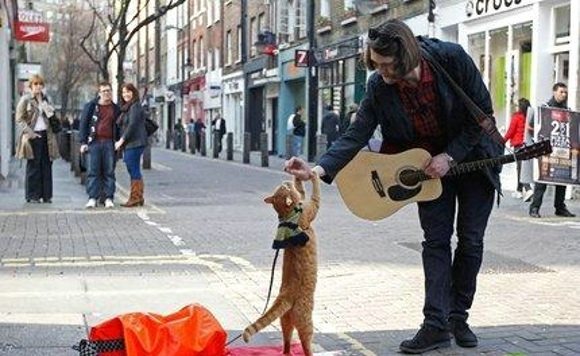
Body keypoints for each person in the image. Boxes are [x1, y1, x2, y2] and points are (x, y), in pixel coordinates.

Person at [284, 19, 503, 354]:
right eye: (375, 63)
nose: (381, 71)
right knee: (435, 243)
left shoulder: (452, 59)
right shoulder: (379, 86)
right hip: (425, 171)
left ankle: (458, 317)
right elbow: (356, 135)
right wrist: (316, 170)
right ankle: (435, 325)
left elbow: (483, 115)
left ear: (407, 55)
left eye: (387, 64)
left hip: (473, 160)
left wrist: (451, 155)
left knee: (471, 241)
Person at [529, 82, 576, 218]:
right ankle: (535, 208)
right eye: (561, 92)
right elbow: (532, 127)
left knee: (562, 179)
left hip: (562, 149)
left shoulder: (568, 111)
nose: (564, 95)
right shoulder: (545, 109)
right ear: (554, 92)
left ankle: (560, 207)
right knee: (542, 179)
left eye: (565, 92)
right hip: (546, 150)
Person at [15, 74, 60, 203]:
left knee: (46, 165)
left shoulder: (46, 99)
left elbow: (52, 117)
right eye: (35, 84)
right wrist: (30, 132)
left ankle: (46, 195)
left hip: (47, 136)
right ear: (31, 86)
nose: (38, 87)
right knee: (33, 166)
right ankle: (32, 196)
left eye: (40, 84)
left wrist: (49, 110)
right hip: (32, 136)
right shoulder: (25, 100)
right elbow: (19, 119)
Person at [79, 81, 121, 209]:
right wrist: (83, 142)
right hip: (94, 143)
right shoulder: (91, 106)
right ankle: (92, 198)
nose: (106, 93)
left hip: (109, 143)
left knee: (109, 172)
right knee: (93, 171)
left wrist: (118, 142)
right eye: (104, 91)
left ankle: (108, 198)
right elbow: (84, 125)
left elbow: (119, 127)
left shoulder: (115, 108)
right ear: (99, 93)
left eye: (108, 91)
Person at [114, 83, 149, 207]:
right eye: (123, 92)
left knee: (133, 168)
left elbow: (132, 125)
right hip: (132, 143)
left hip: (135, 142)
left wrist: (121, 141)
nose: (126, 95)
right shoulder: (127, 107)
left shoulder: (135, 106)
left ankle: (135, 197)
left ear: (133, 92)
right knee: (132, 168)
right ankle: (138, 197)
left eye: (128, 92)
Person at [504, 98, 533, 202]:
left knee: (521, 169)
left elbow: (511, 131)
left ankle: (528, 189)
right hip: (528, 145)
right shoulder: (530, 117)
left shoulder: (516, 117)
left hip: (518, 146)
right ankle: (519, 191)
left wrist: (502, 141)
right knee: (521, 167)